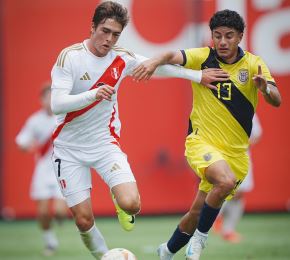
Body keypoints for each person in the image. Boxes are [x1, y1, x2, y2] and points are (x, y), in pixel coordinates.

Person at [50, 1, 229, 259]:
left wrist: (198, 77)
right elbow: (57, 105)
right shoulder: (70, 57)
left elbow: (158, 67)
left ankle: (121, 205)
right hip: (68, 149)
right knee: (83, 220)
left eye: (115, 34)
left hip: (104, 145)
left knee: (132, 204)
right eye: (105, 31)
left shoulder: (122, 58)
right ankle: (104, 256)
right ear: (92, 27)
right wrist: (93, 94)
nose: (109, 39)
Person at [132, 9, 282, 260]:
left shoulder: (254, 64)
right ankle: (200, 241)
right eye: (217, 36)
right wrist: (155, 60)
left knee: (196, 212)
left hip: (235, 153)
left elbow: (276, 100)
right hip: (201, 142)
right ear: (211, 36)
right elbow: (172, 54)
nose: (222, 42)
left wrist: (265, 88)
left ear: (240, 37)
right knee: (224, 181)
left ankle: (166, 252)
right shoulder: (203, 57)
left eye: (229, 36)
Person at [15, 84, 67, 256]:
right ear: (41, 100)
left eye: (53, 97)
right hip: (43, 171)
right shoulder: (34, 120)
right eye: (47, 97)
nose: (50, 101)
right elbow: (22, 140)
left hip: (62, 168)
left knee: (60, 212)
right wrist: (25, 145)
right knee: (43, 212)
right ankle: (50, 241)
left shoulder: (64, 116)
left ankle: (60, 219)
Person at [214, 113, 262, 243]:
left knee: (239, 193)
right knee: (223, 187)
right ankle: (214, 219)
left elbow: (257, 134)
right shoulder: (221, 107)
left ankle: (228, 230)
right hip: (222, 155)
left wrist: (242, 145)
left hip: (242, 156)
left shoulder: (249, 109)